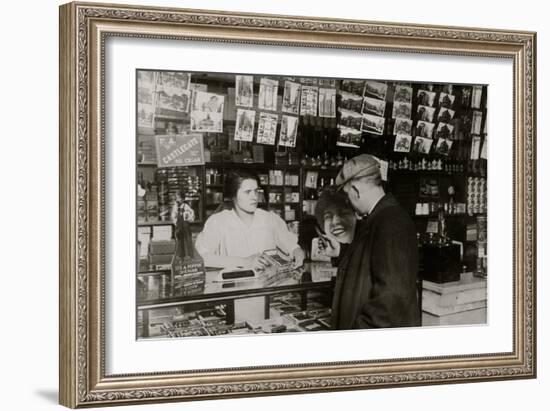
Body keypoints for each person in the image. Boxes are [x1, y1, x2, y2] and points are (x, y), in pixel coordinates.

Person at [332, 154, 420, 329]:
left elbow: (391, 299)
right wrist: (341, 251)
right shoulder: (380, 217)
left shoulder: (391, 222)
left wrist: (358, 333)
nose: (348, 203)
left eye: (347, 196)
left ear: (356, 190)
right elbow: (373, 260)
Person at [195, 169, 305, 271]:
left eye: (256, 191)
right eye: (247, 192)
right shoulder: (218, 222)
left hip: (267, 287)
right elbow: (201, 257)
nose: (255, 197)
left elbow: (290, 245)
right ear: (233, 195)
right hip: (234, 287)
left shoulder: (270, 218)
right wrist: (244, 261)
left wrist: (297, 251)